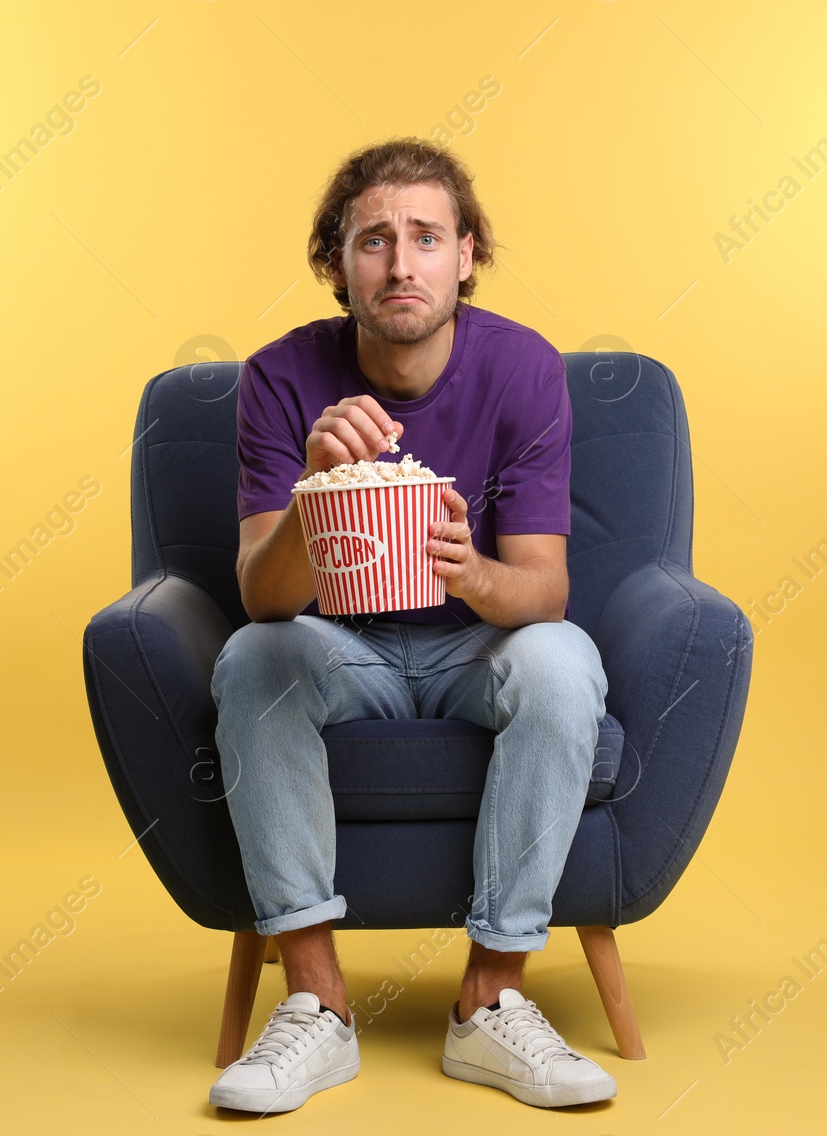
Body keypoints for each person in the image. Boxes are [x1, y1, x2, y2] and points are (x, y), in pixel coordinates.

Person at [207, 137, 614, 1114]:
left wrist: (470, 569)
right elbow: (265, 597)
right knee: (252, 655)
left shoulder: (521, 368)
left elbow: (544, 589)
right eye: (374, 240)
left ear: (465, 254)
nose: (401, 264)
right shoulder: (277, 377)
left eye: (426, 237)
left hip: (473, 644)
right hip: (339, 647)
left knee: (563, 661)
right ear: (336, 263)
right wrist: (315, 492)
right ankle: (315, 1003)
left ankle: (491, 1000)